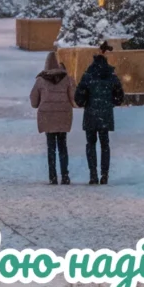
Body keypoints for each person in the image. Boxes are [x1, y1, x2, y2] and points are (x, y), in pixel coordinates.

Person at [74, 42, 124, 185]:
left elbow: (79, 96)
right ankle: (105, 174)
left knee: (90, 144)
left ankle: (93, 174)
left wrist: (84, 103)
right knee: (105, 144)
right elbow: (119, 95)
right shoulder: (111, 75)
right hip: (105, 114)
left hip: (90, 114)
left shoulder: (88, 75)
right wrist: (110, 103)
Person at [30, 50, 76, 185]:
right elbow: (73, 99)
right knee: (63, 146)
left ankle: (53, 176)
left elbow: (34, 101)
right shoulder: (66, 79)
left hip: (47, 116)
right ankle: (65, 175)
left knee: (51, 147)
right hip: (63, 116)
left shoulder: (41, 80)